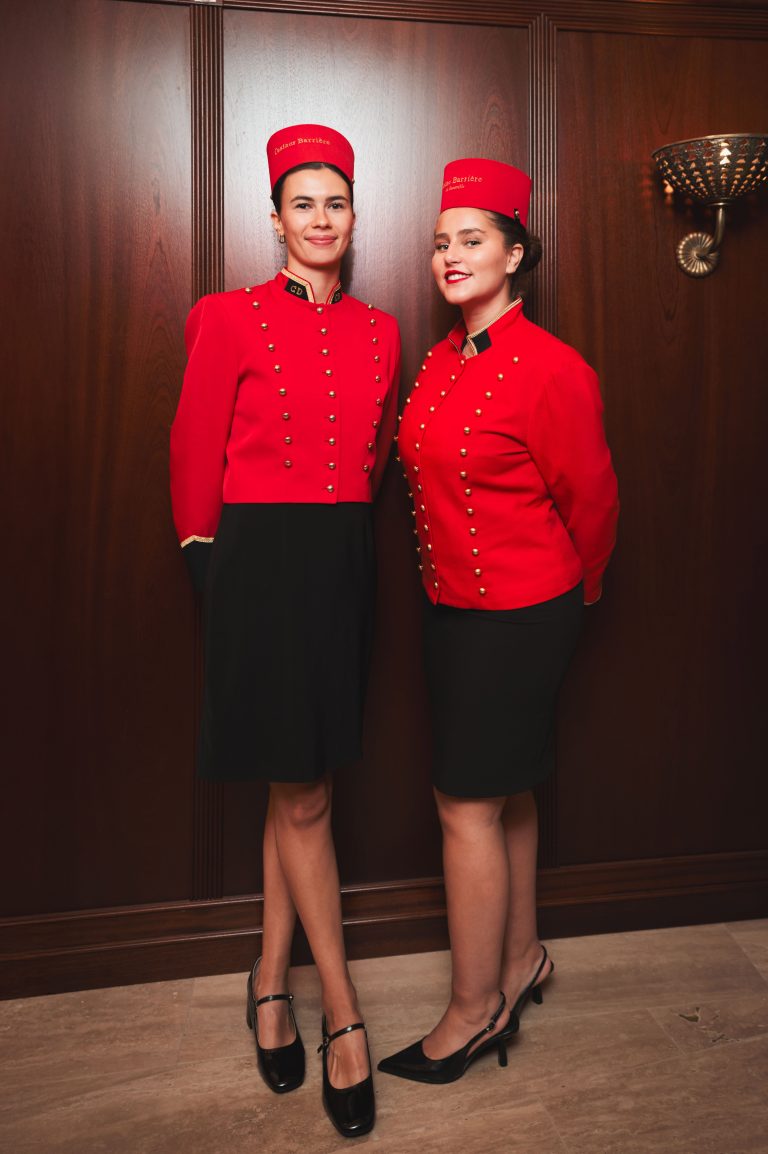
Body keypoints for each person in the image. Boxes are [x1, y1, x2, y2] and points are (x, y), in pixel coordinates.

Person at [170, 124, 400, 1137]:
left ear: (354, 222)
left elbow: (376, 454)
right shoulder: (223, 316)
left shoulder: (385, 329)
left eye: (336, 203)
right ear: (274, 219)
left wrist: (344, 545)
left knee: (297, 778)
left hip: (341, 561)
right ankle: (341, 1008)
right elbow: (192, 442)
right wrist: (204, 562)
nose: (320, 219)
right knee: (301, 791)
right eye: (302, 203)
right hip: (255, 564)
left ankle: (268, 977)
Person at [378, 157, 618, 1084]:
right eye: (441, 243)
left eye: (471, 241)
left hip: (523, 615)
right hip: (451, 608)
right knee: (506, 792)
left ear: (516, 254)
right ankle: (521, 961)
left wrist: (574, 599)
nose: (450, 256)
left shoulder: (554, 369)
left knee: (465, 803)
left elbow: (594, 504)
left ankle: (475, 1011)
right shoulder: (440, 359)